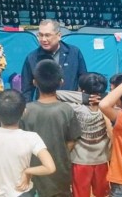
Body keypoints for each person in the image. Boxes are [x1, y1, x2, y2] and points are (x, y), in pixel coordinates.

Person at [22, 59, 82, 197]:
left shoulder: (26, 110)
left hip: (33, 170)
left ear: (34, 82)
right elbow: (72, 140)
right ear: (61, 82)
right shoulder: (66, 109)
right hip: (60, 169)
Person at [56, 72, 111, 197]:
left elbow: (55, 95)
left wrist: (83, 97)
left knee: (80, 194)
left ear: (82, 90)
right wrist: (102, 96)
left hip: (80, 160)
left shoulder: (75, 108)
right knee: (102, 194)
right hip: (101, 160)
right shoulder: (108, 107)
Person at [21, 19, 87, 102]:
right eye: (40, 35)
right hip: (44, 108)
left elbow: (83, 79)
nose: (43, 39)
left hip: (71, 106)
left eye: (47, 35)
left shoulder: (74, 53)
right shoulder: (32, 58)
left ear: (59, 36)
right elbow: (26, 89)